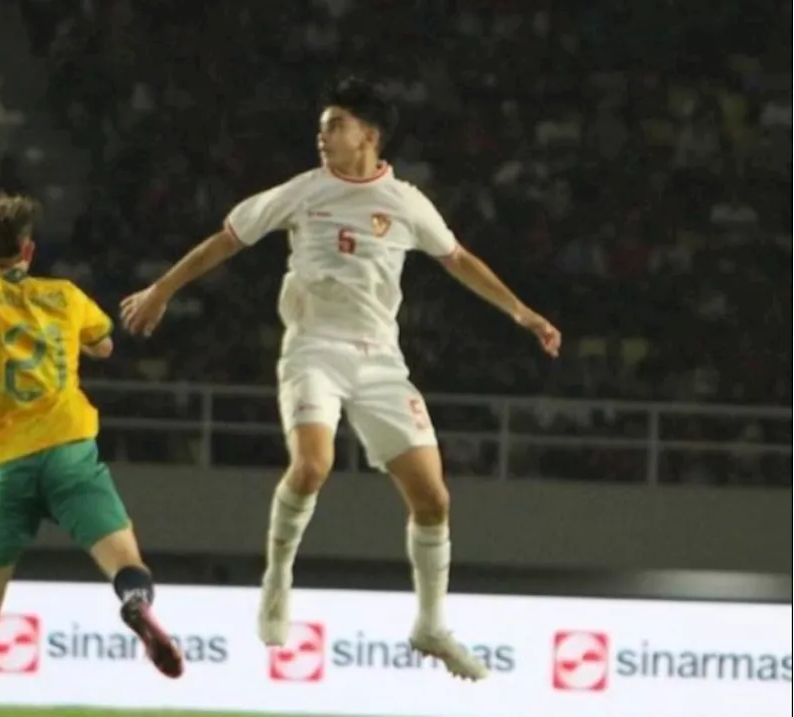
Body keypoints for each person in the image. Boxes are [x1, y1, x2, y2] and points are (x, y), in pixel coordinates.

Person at [120, 76, 562, 682]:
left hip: (382, 361)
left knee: (433, 499)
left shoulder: (406, 202)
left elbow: (458, 260)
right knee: (312, 466)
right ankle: (277, 579)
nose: (322, 135)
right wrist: (162, 289)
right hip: (314, 350)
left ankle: (430, 626)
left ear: (369, 136)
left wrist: (522, 311)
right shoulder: (305, 191)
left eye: (335, 125)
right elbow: (227, 241)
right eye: (322, 126)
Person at [0, 192, 184, 717]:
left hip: (7, 464)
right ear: (28, 250)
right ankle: (134, 603)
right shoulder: (64, 293)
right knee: (125, 560)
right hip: (69, 450)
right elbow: (104, 345)